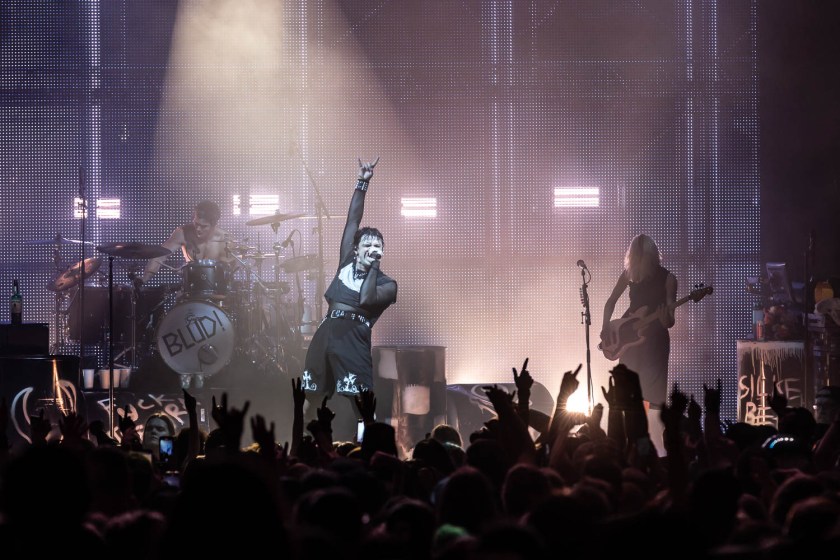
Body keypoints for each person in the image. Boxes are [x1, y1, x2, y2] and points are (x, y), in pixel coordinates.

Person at [301, 158, 397, 436]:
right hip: (327, 329)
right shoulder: (345, 262)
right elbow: (353, 219)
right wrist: (362, 183)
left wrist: (374, 266)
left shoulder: (388, 284)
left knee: (361, 402)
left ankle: (366, 446)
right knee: (312, 394)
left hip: (354, 336)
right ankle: (306, 441)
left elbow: (366, 300)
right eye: (367, 244)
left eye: (378, 246)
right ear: (355, 249)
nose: (372, 248)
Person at [601, 234, 676, 408]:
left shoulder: (669, 279)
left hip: (655, 342)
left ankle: (652, 431)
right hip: (629, 338)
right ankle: (628, 429)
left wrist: (665, 319)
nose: (640, 261)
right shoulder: (629, 275)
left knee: (654, 398)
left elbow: (670, 321)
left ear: (652, 257)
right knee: (626, 393)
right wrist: (606, 326)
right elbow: (611, 301)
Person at [141, 200, 233, 284]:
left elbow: (231, 269)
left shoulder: (225, 240)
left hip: (216, 290)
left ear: (214, 225)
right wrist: (144, 279)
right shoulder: (183, 233)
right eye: (196, 224)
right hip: (189, 288)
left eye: (203, 226)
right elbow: (159, 256)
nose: (198, 229)